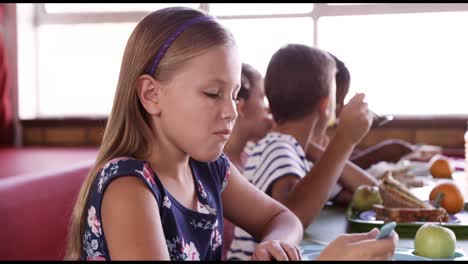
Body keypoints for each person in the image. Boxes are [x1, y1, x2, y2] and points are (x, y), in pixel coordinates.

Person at [64, 7, 304, 261]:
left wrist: (276, 245)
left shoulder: (208, 169)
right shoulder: (128, 187)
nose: (232, 111)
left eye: (234, 95)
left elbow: (284, 219)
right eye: (212, 93)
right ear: (151, 95)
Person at [228, 44, 398, 260]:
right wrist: (344, 141)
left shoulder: (296, 151)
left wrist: (320, 150)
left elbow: (371, 192)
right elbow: (294, 215)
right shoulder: (277, 148)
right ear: (326, 104)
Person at [327, 53, 416, 170]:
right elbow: (326, 177)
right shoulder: (304, 145)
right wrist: (375, 155)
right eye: (337, 101)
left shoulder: (318, 139)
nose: (341, 110)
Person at [222, 63, 274, 259]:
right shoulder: (218, 168)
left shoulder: (250, 156)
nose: (267, 108)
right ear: (239, 105)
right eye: (262, 97)